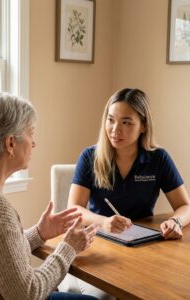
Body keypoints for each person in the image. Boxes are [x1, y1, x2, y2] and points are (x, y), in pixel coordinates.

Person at [0, 92, 99, 300]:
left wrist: (38, 233)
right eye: (31, 133)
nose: (34, 143)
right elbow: (28, 294)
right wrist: (68, 249)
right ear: (10, 144)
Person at [66, 88, 190, 298]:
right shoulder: (89, 157)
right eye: (111, 119)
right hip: (98, 246)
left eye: (126, 122)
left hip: (142, 250)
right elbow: (74, 209)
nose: (115, 129)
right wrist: (104, 222)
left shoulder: (158, 159)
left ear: (143, 126)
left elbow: (185, 206)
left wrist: (176, 222)